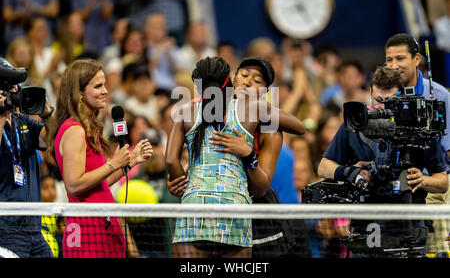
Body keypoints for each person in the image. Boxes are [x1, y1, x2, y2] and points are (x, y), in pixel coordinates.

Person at [165, 56, 305, 258]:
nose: (248, 82)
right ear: (232, 80)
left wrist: (248, 154)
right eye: (244, 75)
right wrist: (181, 179)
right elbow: (204, 155)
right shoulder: (202, 108)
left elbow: (260, 188)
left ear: (265, 93)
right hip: (229, 209)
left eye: (257, 81)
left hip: (258, 211)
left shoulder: (270, 130)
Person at [317, 66, 448, 255]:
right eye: (377, 100)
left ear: (402, 98)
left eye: (389, 102)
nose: (381, 108)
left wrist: (424, 180)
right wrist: (351, 172)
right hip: (366, 222)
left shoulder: (421, 128)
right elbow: (323, 167)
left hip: (412, 221)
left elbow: (442, 182)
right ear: (369, 94)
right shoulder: (354, 125)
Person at [47, 58, 153, 258]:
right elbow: (74, 184)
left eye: (104, 84)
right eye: (97, 86)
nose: (105, 91)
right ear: (79, 93)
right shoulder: (74, 130)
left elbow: (99, 185)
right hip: (88, 231)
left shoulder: (87, 129)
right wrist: (114, 163)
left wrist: (129, 162)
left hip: (104, 225)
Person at [385, 33, 450, 254]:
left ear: (416, 59)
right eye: (389, 60)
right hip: (392, 185)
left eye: (400, 58)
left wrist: (428, 178)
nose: (394, 65)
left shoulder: (440, 96)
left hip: (434, 185)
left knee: (436, 247)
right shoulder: (383, 97)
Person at [0, 57, 55, 258]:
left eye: (15, 85)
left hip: (33, 229)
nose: (15, 90)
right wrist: (0, 114)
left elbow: (51, 142)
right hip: (5, 230)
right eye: (9, 86)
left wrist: (48, 114)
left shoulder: (24, 122)